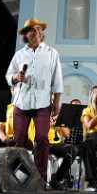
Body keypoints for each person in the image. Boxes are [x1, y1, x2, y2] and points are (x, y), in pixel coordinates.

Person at [5, 17, 63, 182]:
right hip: (22, 102)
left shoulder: (52, 53)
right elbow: (9, 76)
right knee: (19, 140)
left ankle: (40, 179)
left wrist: (56, 102)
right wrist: (16, 77)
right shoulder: (19, 55)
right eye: (32, 30)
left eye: (39, 29)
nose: (36, 32)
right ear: (26, 35)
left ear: (42, 33)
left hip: (43, 103)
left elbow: (57, 80)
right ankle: (19, 178)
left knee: (42, 138)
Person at [81, 86, 97, 191]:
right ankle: (92, 181)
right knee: (87, 145)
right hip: (94, 136)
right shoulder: (87, 110)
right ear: (94, 97)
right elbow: (89, 126)